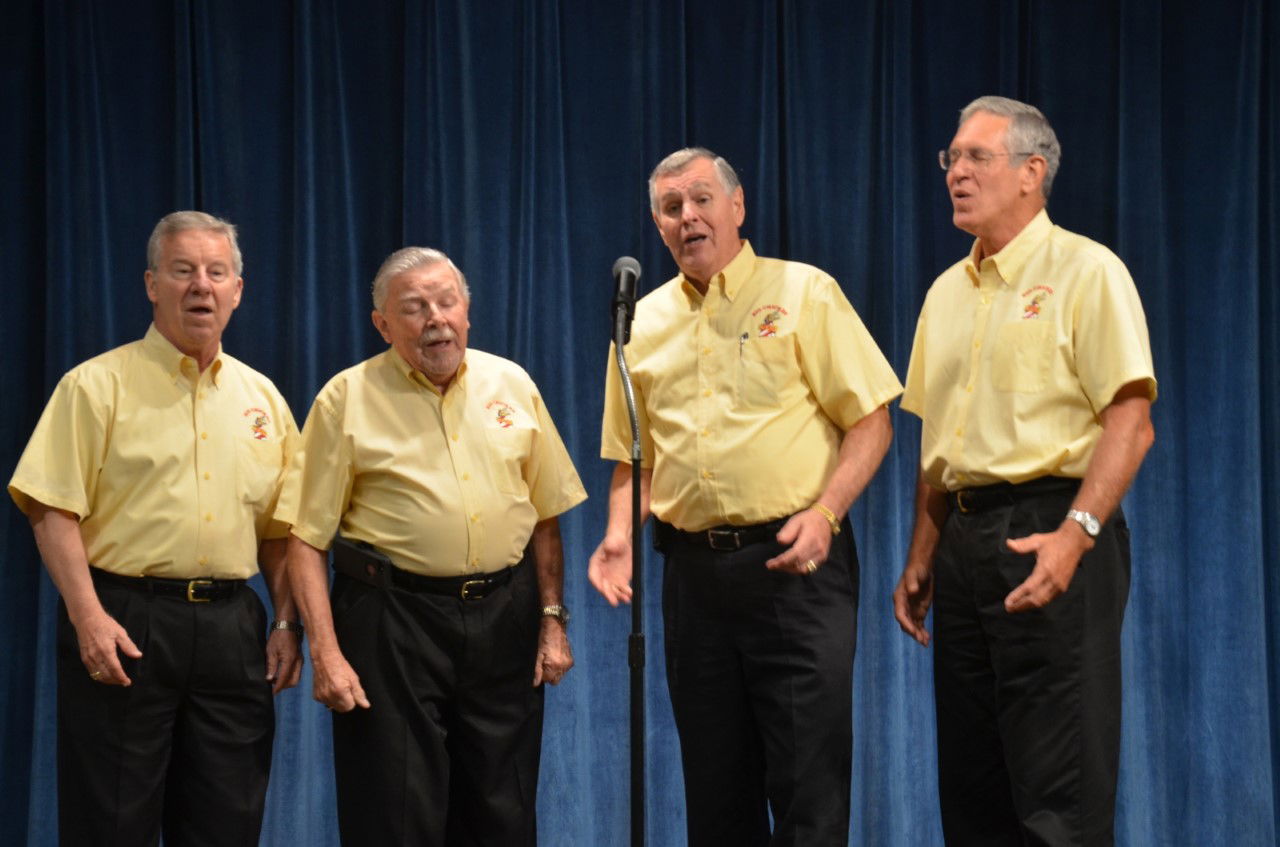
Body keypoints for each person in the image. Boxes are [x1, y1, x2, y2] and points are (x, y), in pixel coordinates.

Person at [589, 147, 902, 845]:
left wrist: (826, 514)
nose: (688, 216)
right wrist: (618, 535)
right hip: (694, 580)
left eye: (702, 199)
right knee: (716, 792)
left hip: (795, 567)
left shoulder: (804, 291)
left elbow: (872, 421)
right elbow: (632, 460)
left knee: (807, 788)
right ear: (657, 224)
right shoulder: (639, 322)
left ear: (738, 206)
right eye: (671, 208)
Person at [893, 96, 1157, 846]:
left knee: (1058, 797)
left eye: (977, 156)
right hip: (965, 542)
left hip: (1054, 526)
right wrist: (921, 554)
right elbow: (937, 444)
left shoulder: (1086, 270)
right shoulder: (944, 292)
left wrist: (1074, 538)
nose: (957, 172)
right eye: (951, 158)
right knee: (974, 790)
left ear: (1031, 173)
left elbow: (1131, 423)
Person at [7, 210, 302, 846]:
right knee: (111, 823)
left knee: (227, 824)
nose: (202, 285)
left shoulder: (264, 401)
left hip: (232, 629)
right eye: (183, 270)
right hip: (124, 621)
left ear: (237, 290)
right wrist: (87, 618)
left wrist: (283, 620)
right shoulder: (94, 386)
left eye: (217, 272)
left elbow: (282, 533)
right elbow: (50, 508)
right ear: (151, 284)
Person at [280, 247, 586, 845]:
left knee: (503, 812)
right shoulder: (345, 399)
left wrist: (551, 620)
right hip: (392, 623)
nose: (435, 320)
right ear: (383, 324)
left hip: (506, 617)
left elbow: (545, 518)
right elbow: (305, 539)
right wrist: (327, 652)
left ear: (467, 310)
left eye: (446, 302)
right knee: (396, 814)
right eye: (414, 308)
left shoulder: (513, 384)